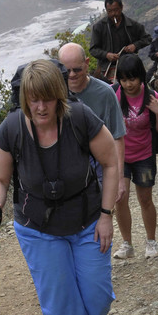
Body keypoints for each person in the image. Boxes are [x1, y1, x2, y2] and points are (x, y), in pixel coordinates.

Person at [0, 59, 119, 315]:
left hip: (88, 219)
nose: (40, 107)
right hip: (37, 227)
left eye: (46, 99)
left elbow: (111, 161)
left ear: (59, 97)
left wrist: (106, 215)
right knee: (59, 297)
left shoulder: (80, 118)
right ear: (25, 99)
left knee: (98, 295)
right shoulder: (12, 128)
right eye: (33, 100)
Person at [112, 53, 158, 261]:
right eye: (124, 80)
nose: (128, 84)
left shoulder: (152, 96)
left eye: (132, 79)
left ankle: (151, 241)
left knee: (145, 199)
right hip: (121, 157)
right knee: (120, 198)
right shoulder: (115, 95)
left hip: (144, 156)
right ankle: (127, 244)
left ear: (141, 77)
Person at [58, 41, 126, 204]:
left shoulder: (105, 93)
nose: (72, 75)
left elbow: (117, 137)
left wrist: (119, 177)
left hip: (99, 168)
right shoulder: (54, 96)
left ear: (87, 64)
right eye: (67, 71)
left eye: (77, 69)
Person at [89, 0, 152, 82]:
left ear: (121, 7)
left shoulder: (132, 25)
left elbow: (147, 38)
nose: (113, 14)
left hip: (130, 65)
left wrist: (135, 45)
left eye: (116, 10)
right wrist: (106, 55)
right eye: (109, 11)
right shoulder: (99, 27)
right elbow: (93, 49)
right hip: (106, 68)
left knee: (143, 84)